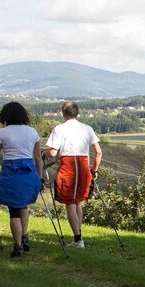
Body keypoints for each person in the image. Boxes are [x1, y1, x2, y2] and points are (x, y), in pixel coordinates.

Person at [0, 102, 45, 258]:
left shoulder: (2, 133)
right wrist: (40, 178)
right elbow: (38, 157)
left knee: (14, 211)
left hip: (12, 172)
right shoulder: (32, 132)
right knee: (23, 205)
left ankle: (18, 247)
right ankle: (24, 236)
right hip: (29, 172)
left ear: (5, 116)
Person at [44, 101, 102, 249]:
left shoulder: (59, 129)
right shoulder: (87, 129)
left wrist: (44, 153)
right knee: (78, 202)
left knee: (70, 202)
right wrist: (94, 170)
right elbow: (98, 152)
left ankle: (78, 239)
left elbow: (52, 153)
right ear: (77, 113)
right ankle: (79, 235)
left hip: (68, 166)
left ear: (63, 113)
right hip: (83, 166)